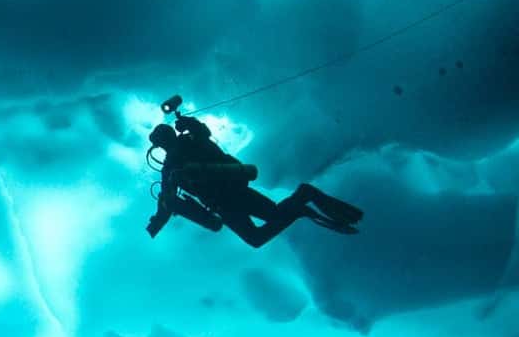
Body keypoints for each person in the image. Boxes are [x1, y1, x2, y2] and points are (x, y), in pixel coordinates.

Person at [145, 96, 362, 247]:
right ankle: (303, 200)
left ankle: (303, 202)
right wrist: (157, 222)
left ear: (160, 144)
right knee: (266, 226)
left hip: (229, 198)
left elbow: (166, 200)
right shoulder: (182, 153)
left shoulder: (184, 150)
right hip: (229, 197)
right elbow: (166, 198)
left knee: (260, 233)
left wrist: (157, 223)